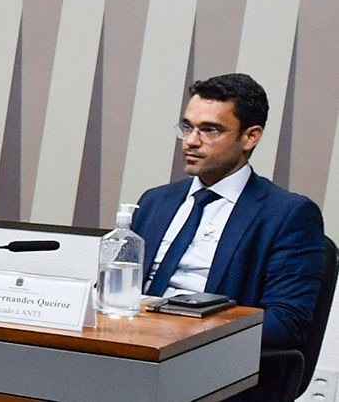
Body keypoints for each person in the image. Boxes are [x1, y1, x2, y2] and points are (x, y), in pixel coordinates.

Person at [133, 73, 324, 350]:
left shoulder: (288, 214)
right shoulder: (155, 202)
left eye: (210, 130)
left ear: (250, 137)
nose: (190, 141)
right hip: (131, 345)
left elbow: (286, 322)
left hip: (207, 354)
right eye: (187, 127)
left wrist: (179, 331)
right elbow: (112, 290)